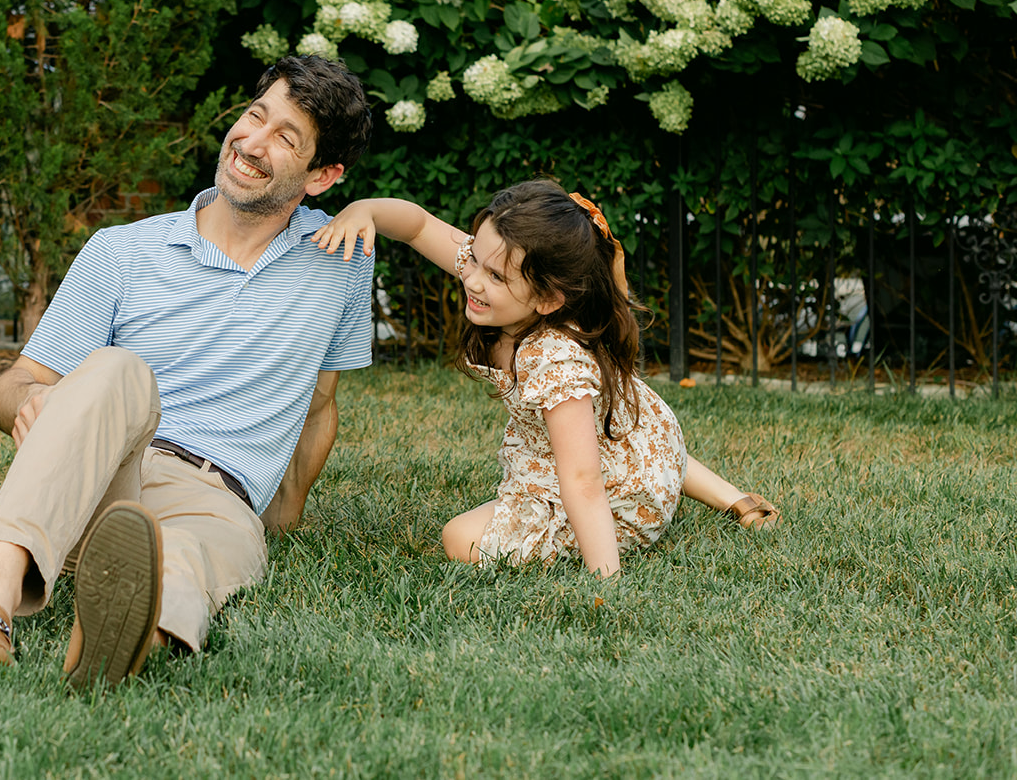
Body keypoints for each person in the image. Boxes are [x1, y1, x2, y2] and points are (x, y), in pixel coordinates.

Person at [0, 55, 375, 685]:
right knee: (117, 369)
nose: (251, 144)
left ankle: (131, 637)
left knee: (183, 560)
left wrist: (285, 515)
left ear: (323, 176)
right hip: (97, 471)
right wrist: (30, 399)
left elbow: (319, 404)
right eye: (255, 117)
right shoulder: (122, 250)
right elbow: (16, 384)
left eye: (285, 138)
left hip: (221, 501)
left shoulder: (342, 261)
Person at [312, 180, 779, 578]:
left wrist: (606, 582)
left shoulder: (553, 359)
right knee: (628, 447)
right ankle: (733, 499)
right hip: (640, 437)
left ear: (549, 299)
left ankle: (662, 511)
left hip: (622, 491)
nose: (472, 279)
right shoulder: (492, 266)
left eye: (493, 275)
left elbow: (583, 479)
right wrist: (363, 210)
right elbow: (417, 225)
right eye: (473, 258)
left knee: (460, 540)